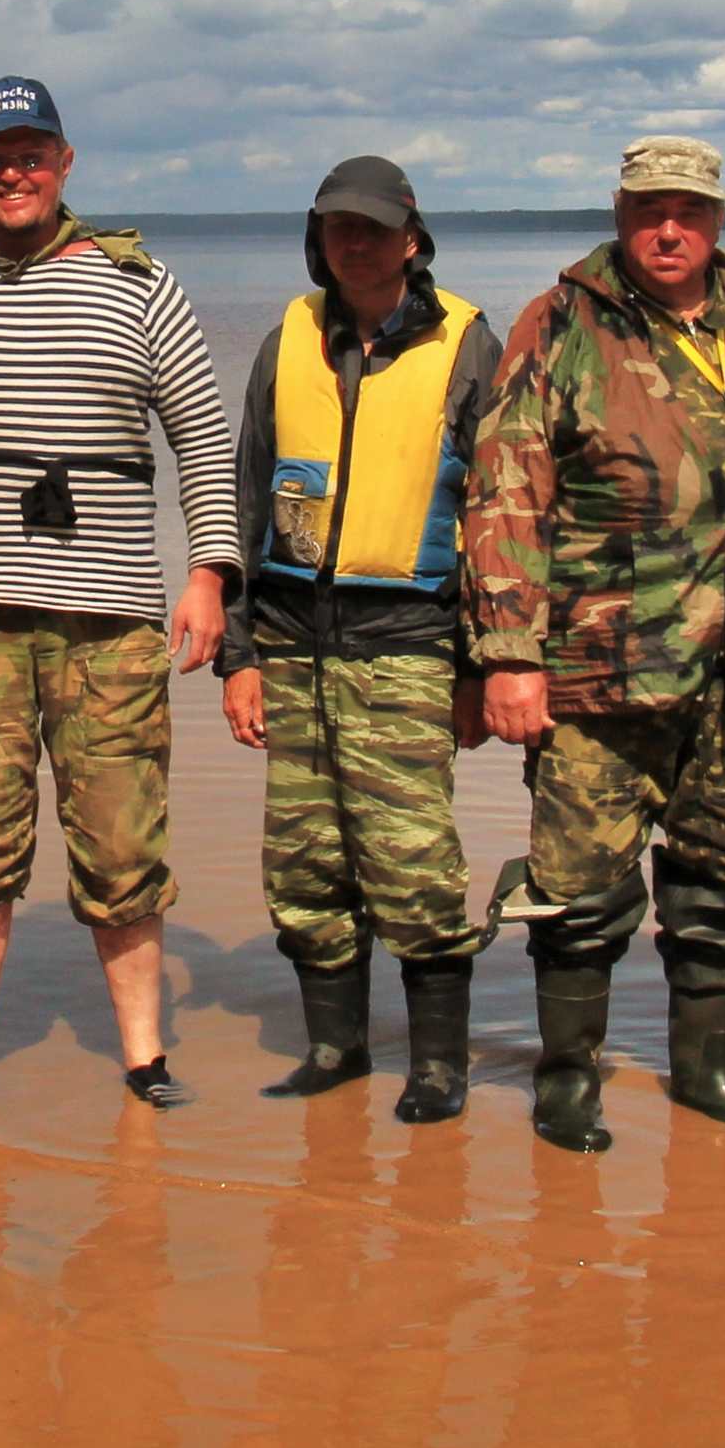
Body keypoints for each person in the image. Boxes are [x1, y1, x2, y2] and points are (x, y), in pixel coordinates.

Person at [0, 76, 238, 1111]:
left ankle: (146, 1059)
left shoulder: (140, 286)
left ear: (64, 162)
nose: (10, 172)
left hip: (108, 624)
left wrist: (208, 574)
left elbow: (202, 438)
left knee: (122, 849)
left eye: (29, 153)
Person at [466, 136, 725, 1154]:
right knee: (576, 891)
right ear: (620, 213)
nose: (670, 229)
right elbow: (503, 492)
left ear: (718, 220)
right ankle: (567, 1078)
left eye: (690, 211)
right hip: (596, 672)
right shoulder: (563, 323)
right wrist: (509, 657)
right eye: (649, 209)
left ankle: (705, 1071)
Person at [217, 156, 504, 1123]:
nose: (356, 241)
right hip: (294, 645)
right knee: (304, 866)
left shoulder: (468, 343)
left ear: (412, 238)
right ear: (318, 237)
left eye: (375, 227)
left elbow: (499, 516)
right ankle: (334, 1050)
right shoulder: (285, 340)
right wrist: (240, 655)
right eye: (339, 225)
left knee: (413, 864)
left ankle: (436, 1067)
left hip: (409, 646)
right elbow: (249, 498)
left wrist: (481, 667)